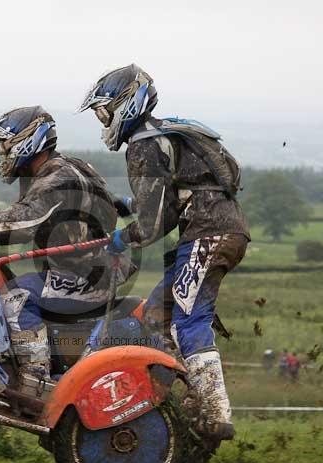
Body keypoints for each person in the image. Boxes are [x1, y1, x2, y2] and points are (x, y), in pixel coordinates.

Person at [78, 64, 250, 443]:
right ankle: (186, 399)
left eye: (104, 112)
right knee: (158, 313)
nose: (103, 121)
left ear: (126, 104)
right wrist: (129, 205)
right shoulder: (167, 131)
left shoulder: (143, 144)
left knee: (190, 320)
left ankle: (214, 414)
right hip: (220, 230)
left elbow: (157, 222)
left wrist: (122, 240)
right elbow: (174, 199)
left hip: (207, 235)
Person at [0, 106, 131, 382]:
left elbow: (26, 219)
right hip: (89, 270)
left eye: (6, 144)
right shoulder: (63, 168)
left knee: (15, 297)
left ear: (30, 140)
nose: (3, 152)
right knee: (4, 281)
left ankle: (35, 377)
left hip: (89, 276)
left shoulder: (57, 178)